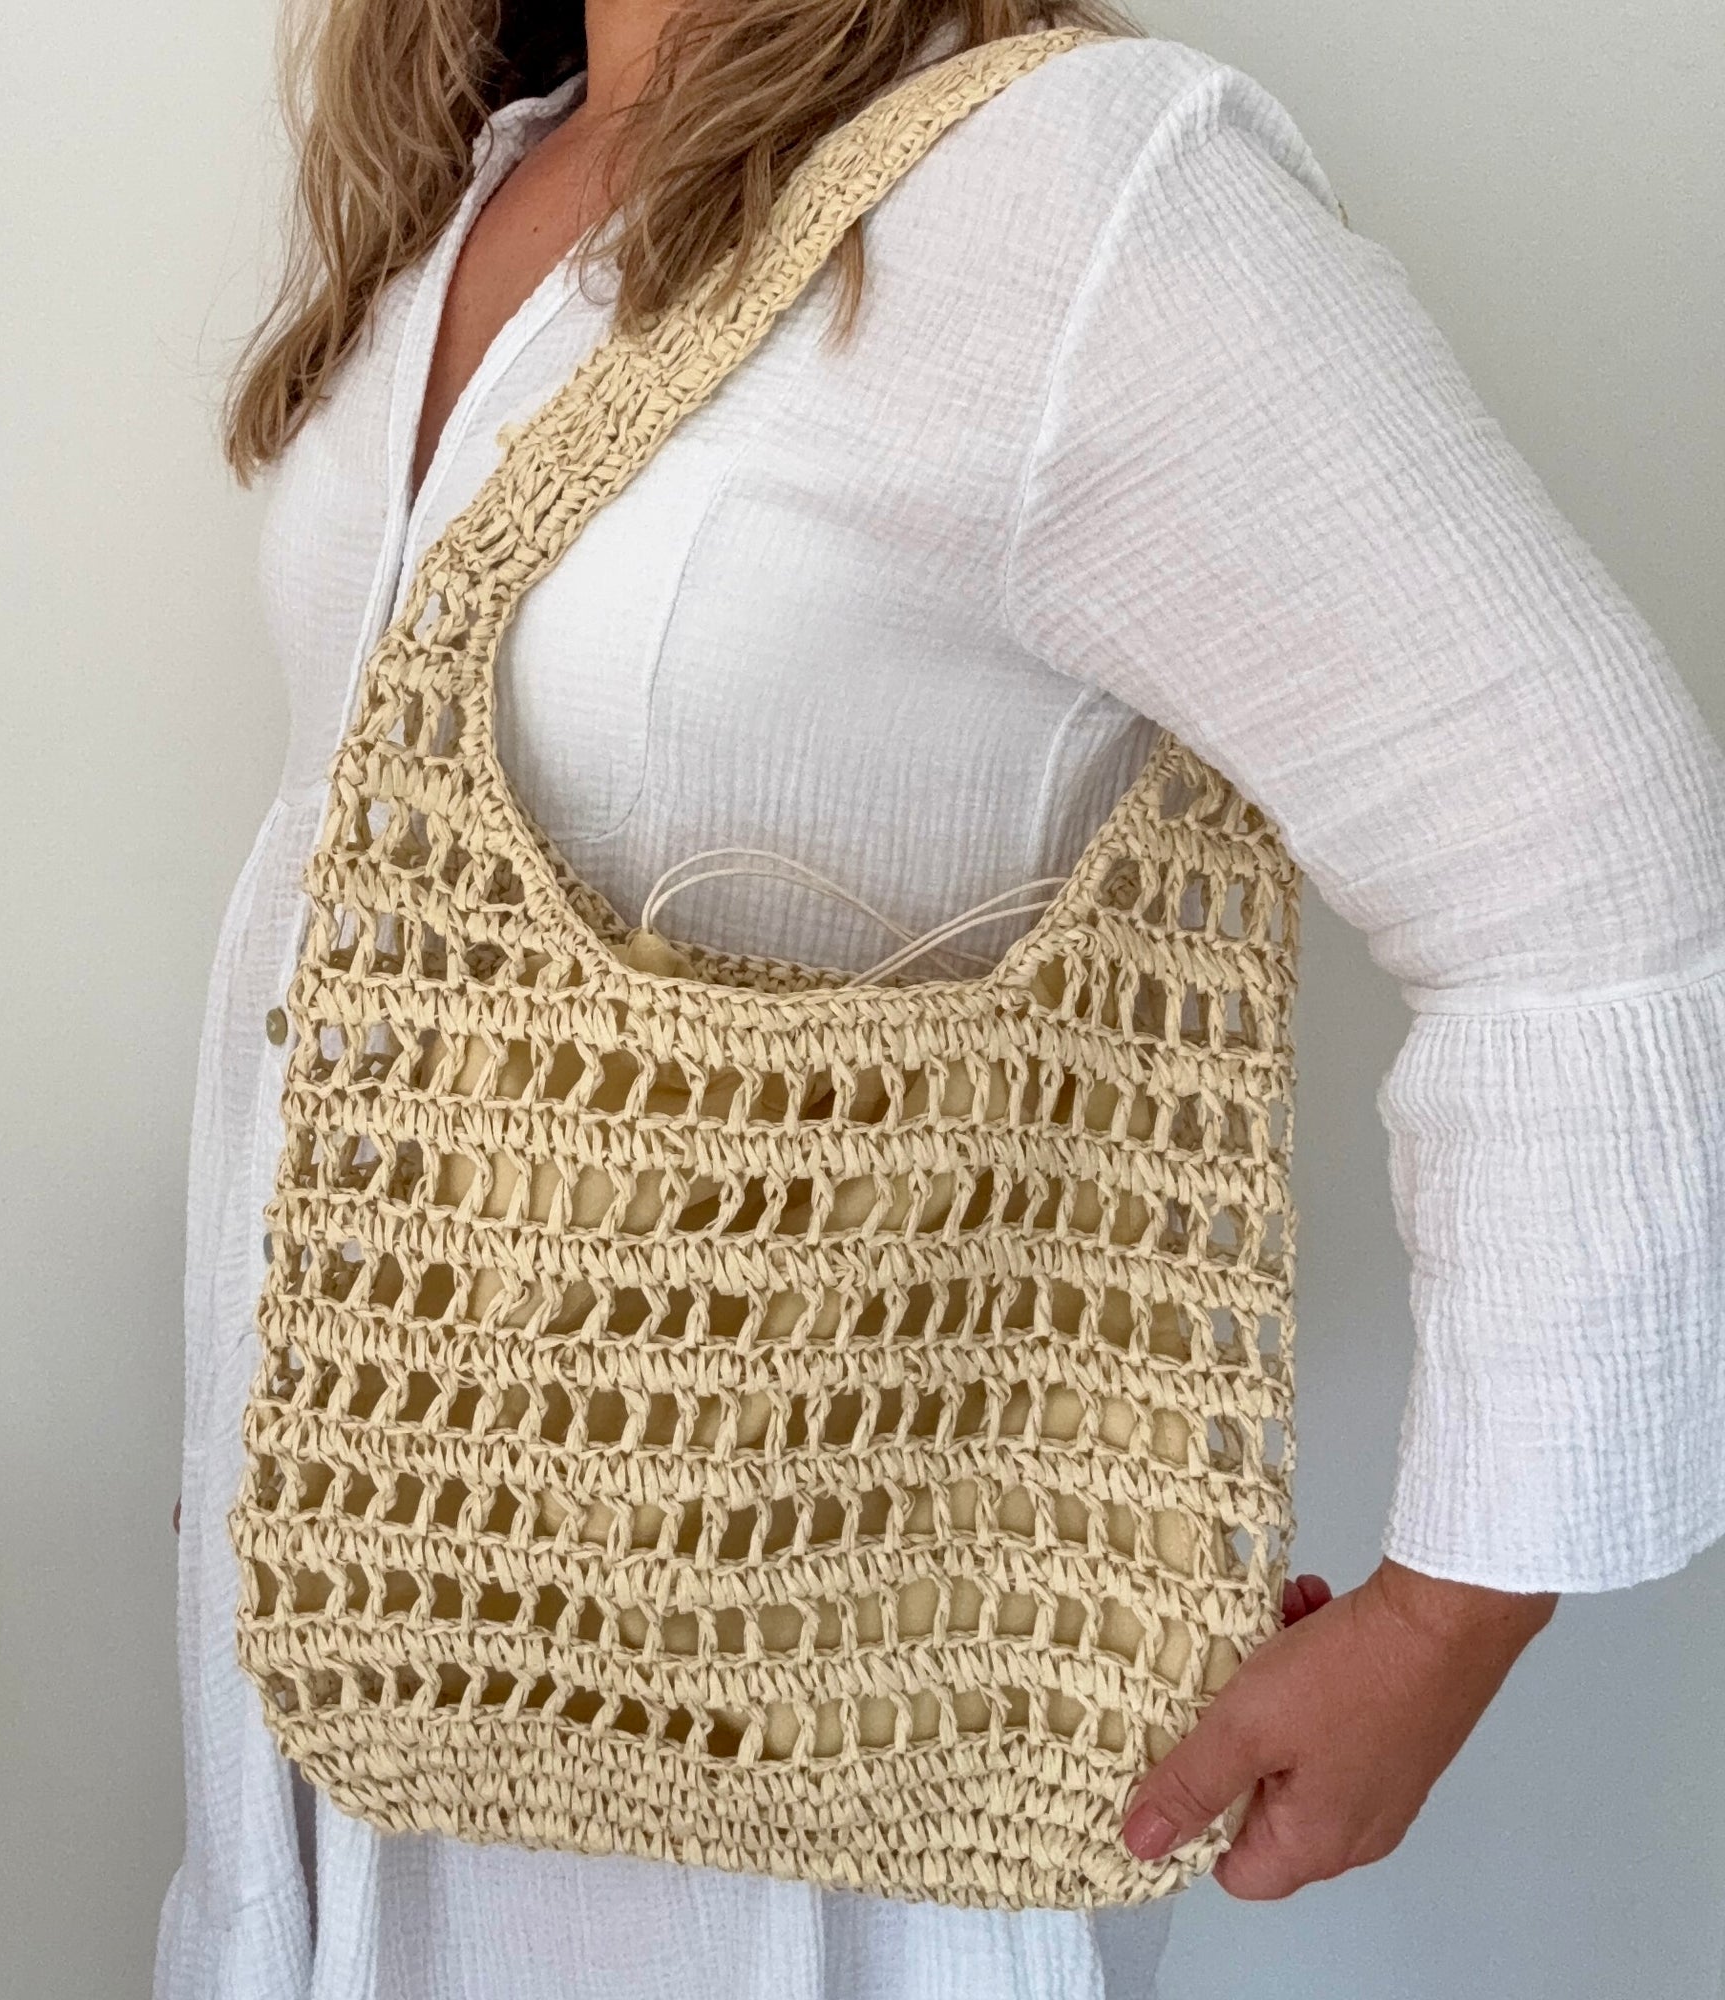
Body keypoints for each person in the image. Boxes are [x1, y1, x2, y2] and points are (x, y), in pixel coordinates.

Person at [155, 4, 1725, 1996]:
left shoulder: (1068, 187)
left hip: (806, 1740)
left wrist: (1456, 1611)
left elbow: (1594, 868)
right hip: (337, 1631)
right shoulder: (481, 172)